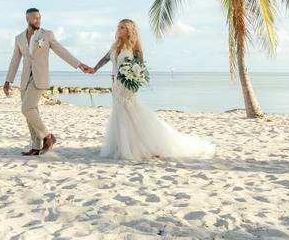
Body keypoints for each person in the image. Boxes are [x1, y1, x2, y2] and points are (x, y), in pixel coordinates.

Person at [88, 19, 216, 161]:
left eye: (122, 27)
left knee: (127, 112)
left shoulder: (135, 48)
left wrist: (133, 81)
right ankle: (121, 145)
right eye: (118, 27)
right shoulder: (115, 46)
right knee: (119, 113)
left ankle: (132, 147)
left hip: (126, 86)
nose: (119, 29)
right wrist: (94, 69)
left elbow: (140, 69)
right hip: (115, 84)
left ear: (129, 31)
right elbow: (105, 59)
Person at [4, 8, 91, 156]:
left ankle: (48, 136)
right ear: (27, 19)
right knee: (31, 112)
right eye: (34, 18)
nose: (38, 20)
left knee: (26, 108)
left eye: (39, 18)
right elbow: (15, 59)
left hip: (40, 77)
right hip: (25, 79)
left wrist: (79, 64)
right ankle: (36, 146)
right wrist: (8, 80)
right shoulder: (19, 38)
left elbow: (61, 51)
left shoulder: (47, 35)